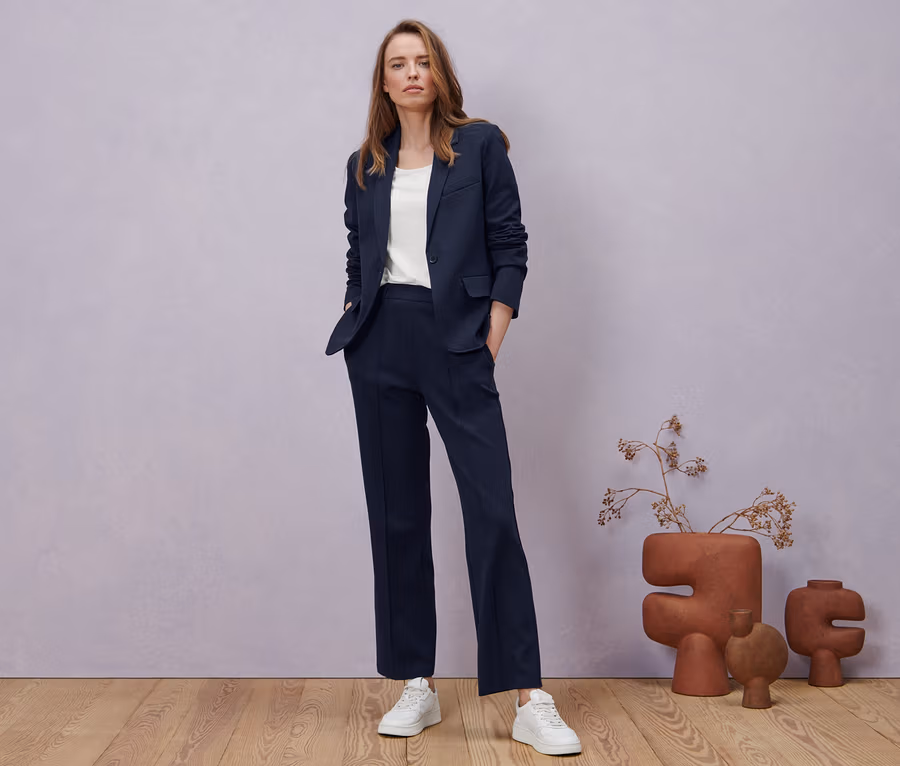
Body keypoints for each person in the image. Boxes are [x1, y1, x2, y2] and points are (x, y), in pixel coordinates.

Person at [325, 19, 581, 756]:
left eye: (422, 61)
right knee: (397, 517)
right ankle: (417, 683)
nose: (411, 73)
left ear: (439, 73)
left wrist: (489, 337)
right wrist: (356, 310)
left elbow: (511, 247)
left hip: (457, 340)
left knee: (492, 513)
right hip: (380, 341)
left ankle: (528, 697)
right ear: (383, 81)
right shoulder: (364, 164)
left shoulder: (479, 145)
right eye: (397, 64)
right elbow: (359, 251)